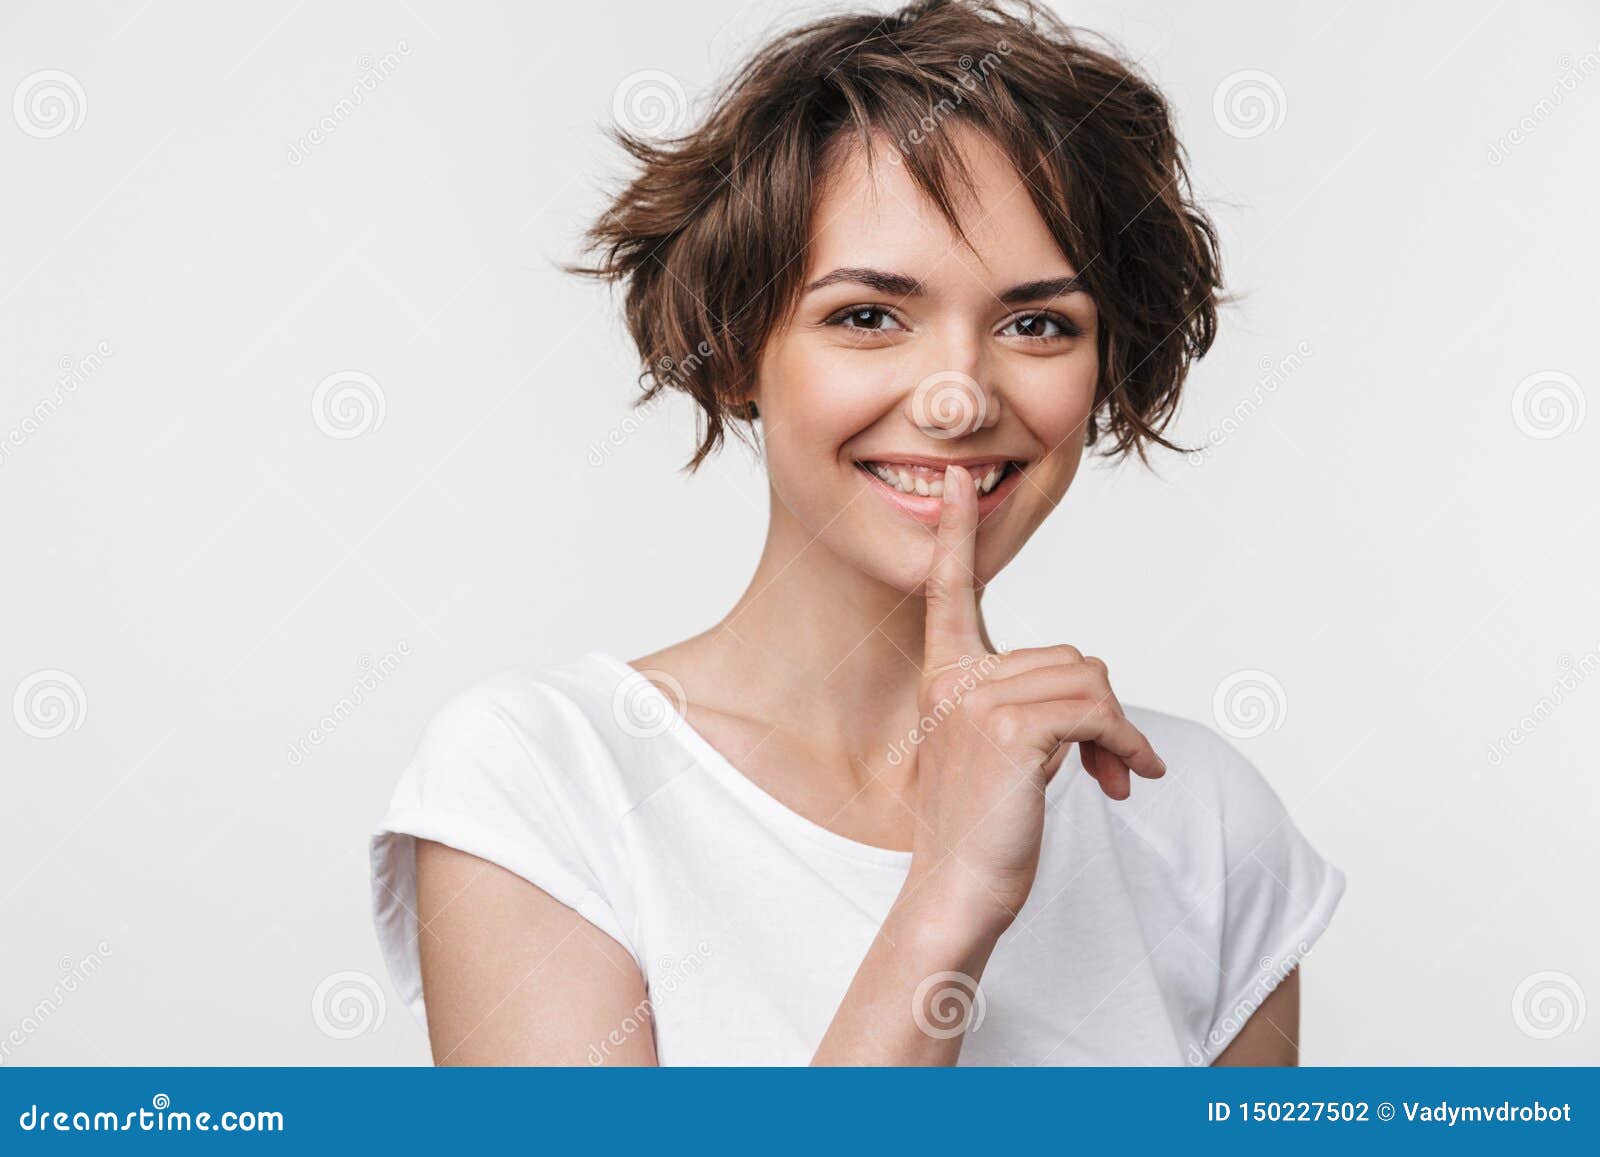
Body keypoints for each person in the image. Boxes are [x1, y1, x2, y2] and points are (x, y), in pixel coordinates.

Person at [370, 0, 1344, 1066]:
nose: (957, 399)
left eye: (1036, 323)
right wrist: (949, 895)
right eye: (868, 315)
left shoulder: (1196, 816)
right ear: (734, 348)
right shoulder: (544, 778)